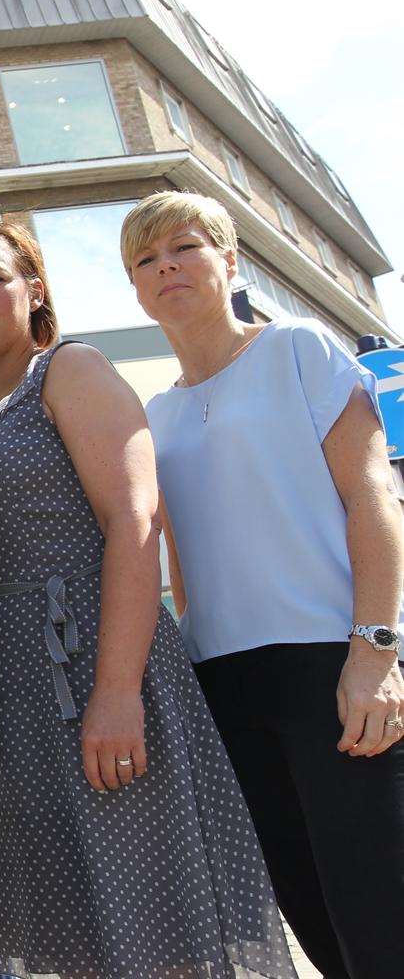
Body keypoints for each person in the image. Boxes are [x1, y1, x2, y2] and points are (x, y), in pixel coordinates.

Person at [0, 211, 295, 979]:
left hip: (90, 667)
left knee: (145, 907)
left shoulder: (70, 370)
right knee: (60, 923)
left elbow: (136, 521)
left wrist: (118, 691)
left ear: (33, 289)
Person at [126, 190, 404, 979]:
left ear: (229, 258)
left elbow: (372, 500)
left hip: (333, 663)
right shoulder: (155, 415)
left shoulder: (300, 350)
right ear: (136, 290)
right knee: (308, 910)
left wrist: (378, 649)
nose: (166, 266)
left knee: (379, 911)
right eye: (145, 259)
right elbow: (177, 565)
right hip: (224, 683)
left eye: (184, 246)